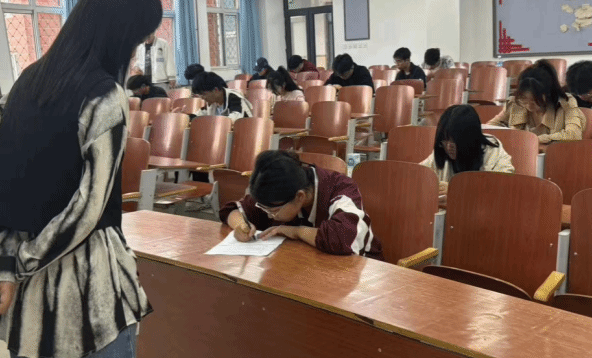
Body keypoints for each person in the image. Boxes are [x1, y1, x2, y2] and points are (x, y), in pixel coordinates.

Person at [0, 0, 156, 358]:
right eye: (139, 40)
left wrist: (0, 266)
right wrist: (26, 261)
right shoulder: (105, 96)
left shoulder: (26, 83)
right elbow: (89, 210)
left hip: (27, 299)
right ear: (122, 35)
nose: (137, 51)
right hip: (89, 295)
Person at [219, 150, 383, 259]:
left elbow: (342, 238)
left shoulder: (341, 188)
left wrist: (296, 232)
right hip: (308, 268)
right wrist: (241, 226)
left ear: (299, 197)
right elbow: (232, 210)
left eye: (273, 211)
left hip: (359, 273)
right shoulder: (276, 190)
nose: (269, 215)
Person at [420, 105, 514, 195]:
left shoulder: (493, 152)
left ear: (470, 139)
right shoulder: (442, 150)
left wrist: (456, 190)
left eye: (454, 141)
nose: (448, 147)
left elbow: (503, 186)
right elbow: (418, 174)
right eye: (445, 140)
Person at [487, 59, 585, 144]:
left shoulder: (566, 103)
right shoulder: (515, 103)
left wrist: (534, 140)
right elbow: (490, 127)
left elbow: (573, 134)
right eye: (525, 100)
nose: (529, 106)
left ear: (548, 94)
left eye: (535, 101)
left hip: (553, 155)